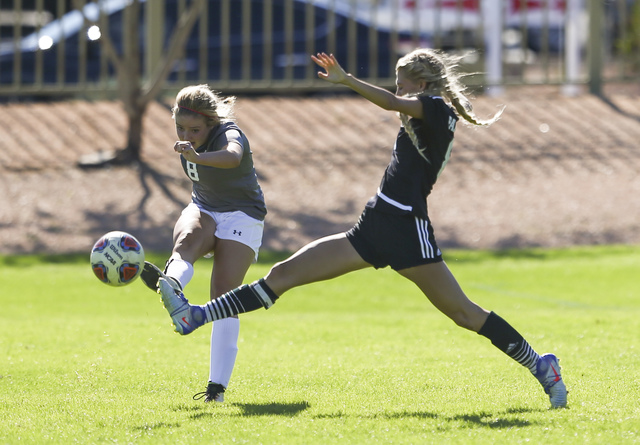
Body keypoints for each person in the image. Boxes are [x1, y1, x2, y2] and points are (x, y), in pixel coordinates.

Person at [155, 50, 567, 409]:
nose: (398, 90)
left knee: (462, 312)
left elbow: (390, 103)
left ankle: (540, 364)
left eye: (403, 84)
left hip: (407, 228)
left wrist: (346, 80)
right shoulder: (423, 111)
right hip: (374, 224)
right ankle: (196, 316)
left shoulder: (436, 109)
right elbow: (396, 104)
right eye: (398, 85)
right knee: (283, 275)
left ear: (422, 85)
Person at [141, 84, 267, 403]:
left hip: (243, 215)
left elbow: (233, 156)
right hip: (205, 206)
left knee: (223, 296)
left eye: (195, 129)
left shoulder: (229, 132)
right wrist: (194, 151)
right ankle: (171, 287)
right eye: (180, 128)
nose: (187, 134)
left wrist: (197, 155)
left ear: (211, 122)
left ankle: (216, 390)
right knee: (184, 243)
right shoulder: (191, 139)